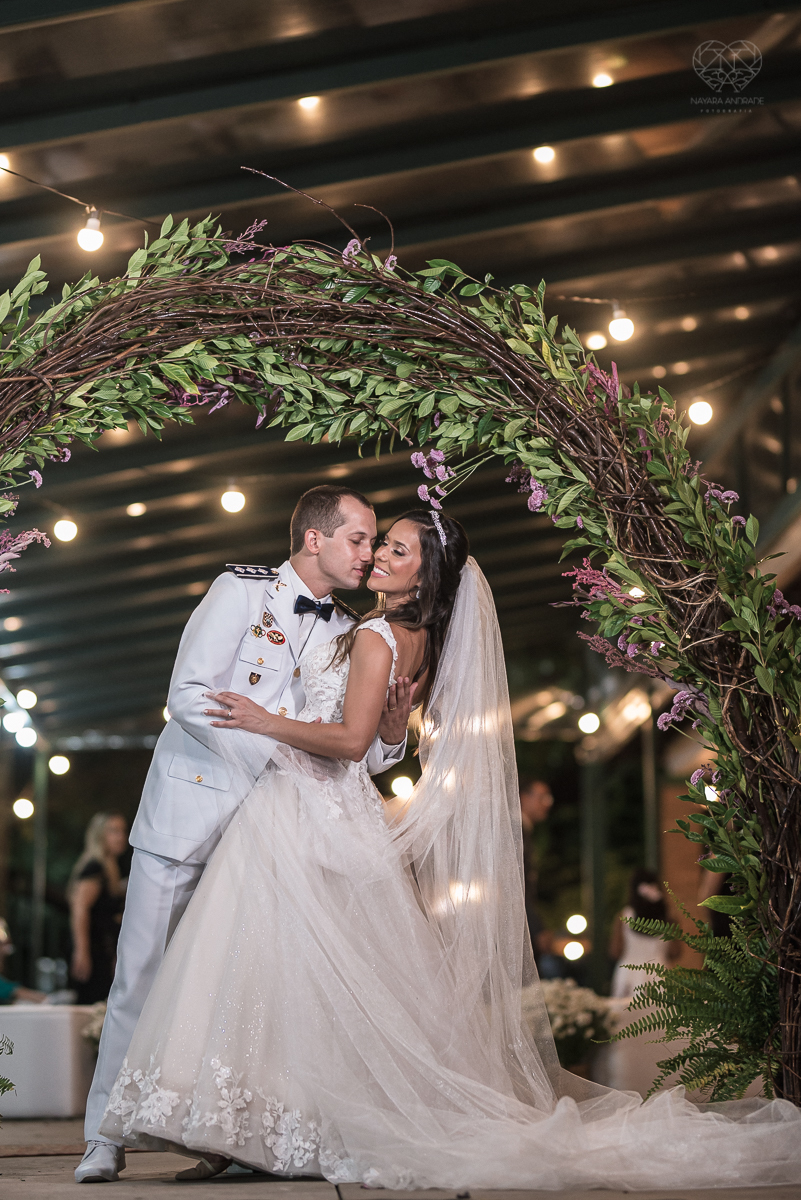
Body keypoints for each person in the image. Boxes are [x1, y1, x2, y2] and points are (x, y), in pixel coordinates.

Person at [100, 509, 801, 1189]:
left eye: (395, 549)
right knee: (289, 976)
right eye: (377, 542)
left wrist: (265, 720)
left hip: (303, 807)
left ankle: (254, 1127)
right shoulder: (413, 639)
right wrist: (388, 732)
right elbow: (377, 740)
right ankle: (259, 1127)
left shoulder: (372, 632)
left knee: (258, 967)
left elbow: (351, 744)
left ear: (424, 577)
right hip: (322, 809)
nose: (377, 555)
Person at [76, 485, 413, 1184]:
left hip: (276, 839)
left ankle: (223, 1133)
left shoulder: (354, 630)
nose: (368, 553)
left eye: (373, 541)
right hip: (192, 811)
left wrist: (391, 732)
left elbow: (357, 752)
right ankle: (104, 1137)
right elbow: (187, 694)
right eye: (357, 538)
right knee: (141, 975)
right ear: (315, 539)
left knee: (241, 992)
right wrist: (272, 754)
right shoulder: (241, 589)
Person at [69, 813, 128, 1004]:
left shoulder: (110, 868)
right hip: (94, 952)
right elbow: (80, 909)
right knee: (92, 1004)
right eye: (114, 831)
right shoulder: (94, 867)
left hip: (104, 951)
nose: (121, 837)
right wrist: (82, 951)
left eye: (123, 831)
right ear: (99, 835)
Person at [609, 868, 680, 999]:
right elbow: (675, 952)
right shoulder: (669, 920)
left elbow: (615, 951)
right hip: (659, 975)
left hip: (629, 975)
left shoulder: (623, 917)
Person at [519, 778, 554, 965]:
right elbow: (518, 886)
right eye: (542, 797)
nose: (547, 803)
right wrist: (536, 928)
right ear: (524, 798)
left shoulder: (524, 831)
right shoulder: (516, 831)